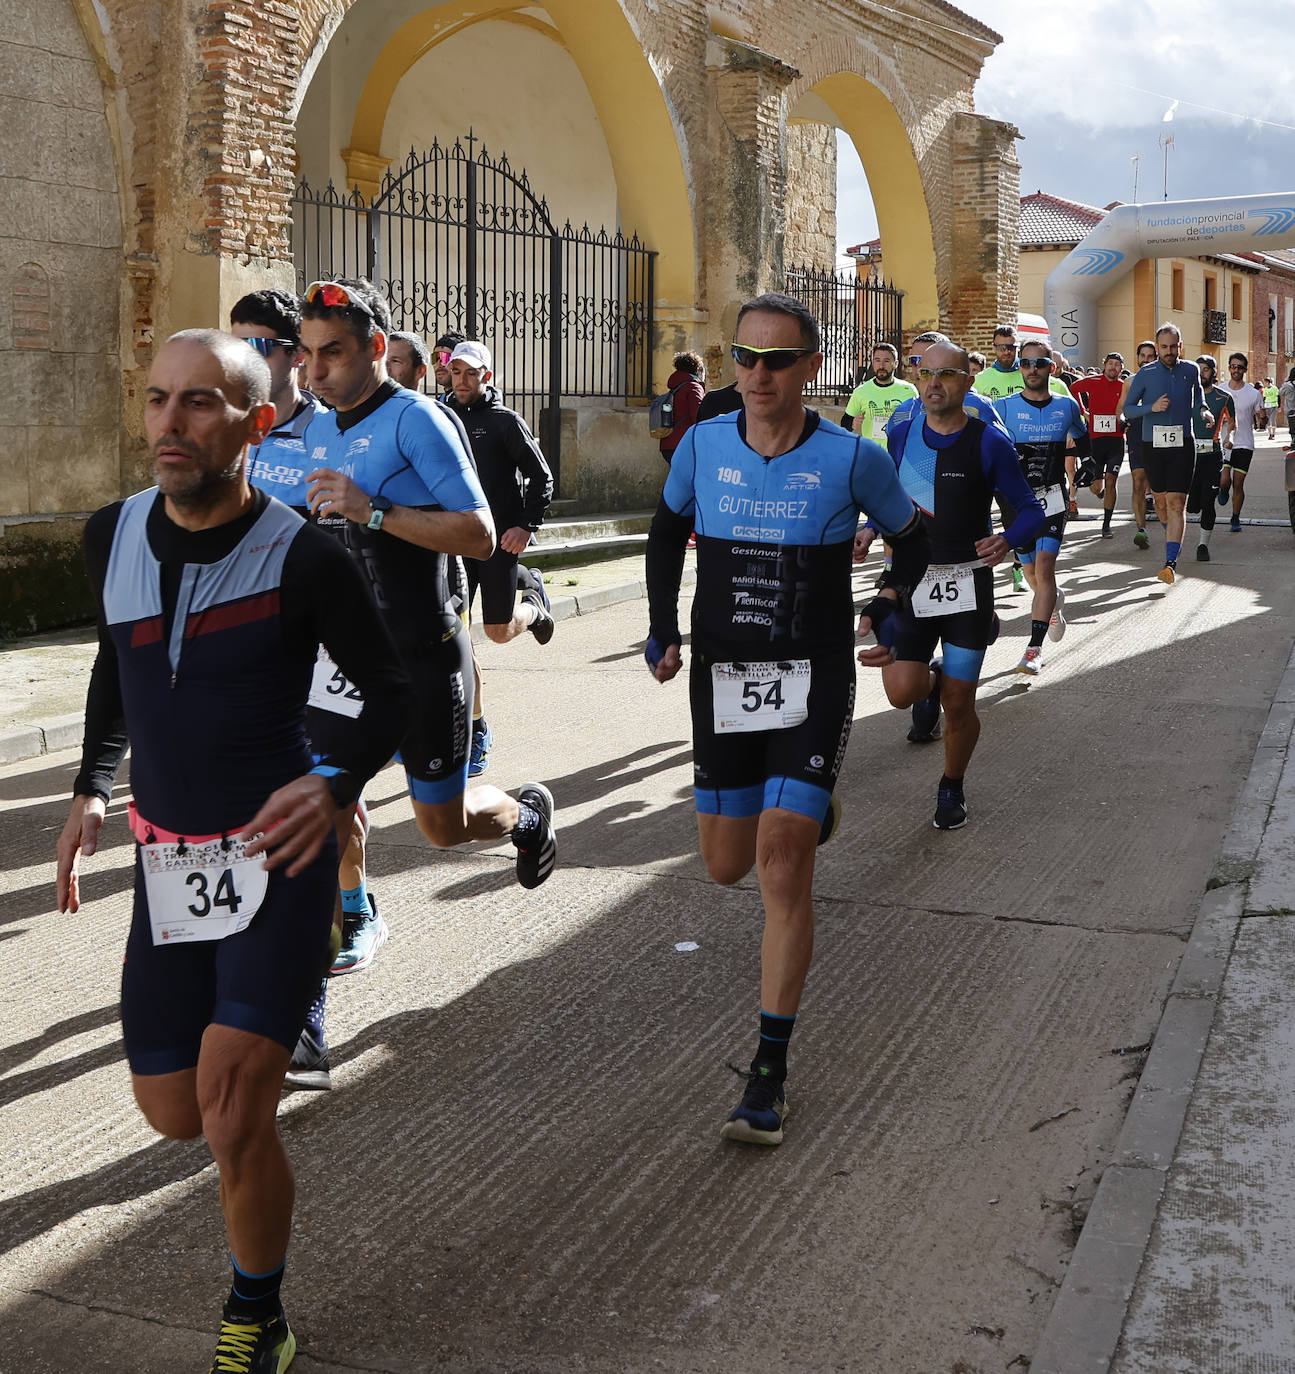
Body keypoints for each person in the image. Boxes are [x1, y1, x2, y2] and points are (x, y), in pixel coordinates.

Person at [55, 329, 412, 1372]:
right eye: (160, 400)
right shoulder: (108, 534)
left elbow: (387, 688)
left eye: (200, 404)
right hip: (167, 867)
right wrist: (93, 783)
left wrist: (333, 784)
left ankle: (257, 1310)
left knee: (227, 1109)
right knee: (173, 1111)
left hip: (275, 858)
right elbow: (115, 664)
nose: (170, 423)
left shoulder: (308, 553)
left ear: (257, 425)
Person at [644, 292, 930, 1147]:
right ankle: (804, 804)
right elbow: (664, 534)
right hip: (723, 677)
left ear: (811, 367)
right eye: (744, 357)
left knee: (778, 863)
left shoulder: (852, 457)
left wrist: (884, 608)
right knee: (726, 865)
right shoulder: (702, 442)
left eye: (777, 359)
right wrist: (662, 628)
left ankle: (767, 1072)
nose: (758, 374)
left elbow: (911, 541)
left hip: (812, 678)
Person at [298, 278, 559, 904]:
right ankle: (341, 927)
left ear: (376, 347)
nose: (314, 371)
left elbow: (479, 533)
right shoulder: (317, 430)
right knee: (320, 798)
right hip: (341, 664)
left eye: (331, 351)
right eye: (307, 353)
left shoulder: (419, 419)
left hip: (421, 652)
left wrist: (374, 512)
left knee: (442, 828)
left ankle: (527, 817)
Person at [866, 340, 1044, 822]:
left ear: (968, 383)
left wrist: (1007, 539)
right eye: (925, 374)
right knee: (901, 692)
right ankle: (935, 678)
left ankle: (951, 786)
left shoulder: (989, 441)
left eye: (946, 375)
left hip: (967, 583)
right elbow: (890, 497)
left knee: (960, 704)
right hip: (910, 578)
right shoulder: (902, 434)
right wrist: (868, 527)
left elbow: (1031, 510)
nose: (933, 384)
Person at [444, 339, 556, 776]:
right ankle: (476, 730)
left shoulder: (503, 422)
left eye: (472, 373)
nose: (463, 380)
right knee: (454, 639)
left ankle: (532, 603)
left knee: (498, 632)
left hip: (497, 542)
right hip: (455, 543)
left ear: (486, 376)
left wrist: (525, 526)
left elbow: (540, 474)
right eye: (456, 372)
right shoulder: (442, 417)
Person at [994, 341, 1090, 674]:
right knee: (1032, 573)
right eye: (1026, 363)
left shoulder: (1066, 406)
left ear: (1052, 367)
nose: (1032, 369)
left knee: (1045, 568)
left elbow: (1084, 437)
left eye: (1039, 362)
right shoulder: (1002, 407)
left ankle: (1033, 650)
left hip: (1052, 497)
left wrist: (1088, 462)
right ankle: (1051, 607)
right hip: (1015, 502)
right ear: (1019, 367)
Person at [1122, 324, 1211, 585]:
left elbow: (1198, 397)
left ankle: (1170, 563)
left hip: (1183, 443)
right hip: (1154, 444)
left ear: (1180, 345)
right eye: (1164, 347)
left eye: (1174, 346)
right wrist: (1152, 406)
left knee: (1176, 503)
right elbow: (1128, 410)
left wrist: (1204, 410)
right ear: (1157, 347)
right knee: (1160, 502)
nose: (1169, 351)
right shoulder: (1145, 374)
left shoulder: (1191, 369)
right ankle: (1171, 534)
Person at [1069, 352, 1126, 539]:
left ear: (1122, 368)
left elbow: (1132, 403)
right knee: (1096, 487)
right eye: (1110, 363)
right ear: (1104, 365)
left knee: (1111, 481)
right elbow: (1073, 388)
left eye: (1117, 365)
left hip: (1116, 441)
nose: (1113, 367)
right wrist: (1082, 411)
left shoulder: (1124, 386)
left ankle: (1106, 524)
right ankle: (1100, 492)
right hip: (1096, 442)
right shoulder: (1093, 381)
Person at [1187, 355, 1234, 562]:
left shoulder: (1223, 397)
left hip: (1213, 456)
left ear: (1213, 372)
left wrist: (1229, 437)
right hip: (1189, 457)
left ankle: (1203, 545)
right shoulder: (1186, 397)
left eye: (1205, 369)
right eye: (1198, 369)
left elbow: (1232, 424)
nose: (1201, 373)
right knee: (1192, 507)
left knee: (1208, 502)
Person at [1218, 352, 1266, 533]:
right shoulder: (1220, 390)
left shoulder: (1253, 394)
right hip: (1224, 443)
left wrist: (1262, 418)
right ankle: (1223, 489)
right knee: (1224, 479)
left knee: (1238, 483)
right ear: (1229, 368)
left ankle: (1235, 517)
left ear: (1245, 370)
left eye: (1239, 367)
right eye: (1232, 366)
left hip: (1244, 443)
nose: (1235, 370)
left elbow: (1261, 421)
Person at [1119, 340, 1159, 549]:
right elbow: (1121, 410)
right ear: (1137, 358)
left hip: (1159, 435)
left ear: (1156, 357)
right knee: (1138, 481)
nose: (1145, 360)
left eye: (1150, 356)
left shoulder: (1163, 380)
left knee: (1160, 484)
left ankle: (1168, 526)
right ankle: (1141, 529)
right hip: (1136, 435)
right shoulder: (1130, 382)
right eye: (1142, 356)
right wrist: (1123, 421)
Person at [843, 342, 918, 448]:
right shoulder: (861, 391)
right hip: (873, 456)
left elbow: (919, 424)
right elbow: (844, 423)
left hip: (901, 454)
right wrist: (852, 423)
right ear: (873, 363)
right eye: (877, 360)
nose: (881, 366)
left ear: (896, 364)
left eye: (886, 361)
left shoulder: (909, 390)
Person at [659, 350, 706, 464]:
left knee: (679, 479)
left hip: (667, 445)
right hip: (684, 444)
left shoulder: (675, 388)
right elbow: (698, 417)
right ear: (697, 370)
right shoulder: (693, 387)